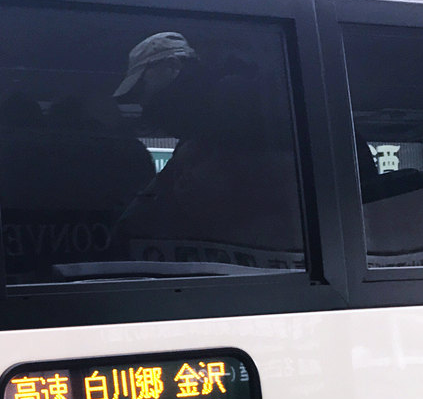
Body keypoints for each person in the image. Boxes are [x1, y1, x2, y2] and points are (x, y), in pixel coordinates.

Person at [112, 30, 302, 268]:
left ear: (172, 66)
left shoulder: (238, 107)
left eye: (143, 84)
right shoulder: (198, 133)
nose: (143, 100)